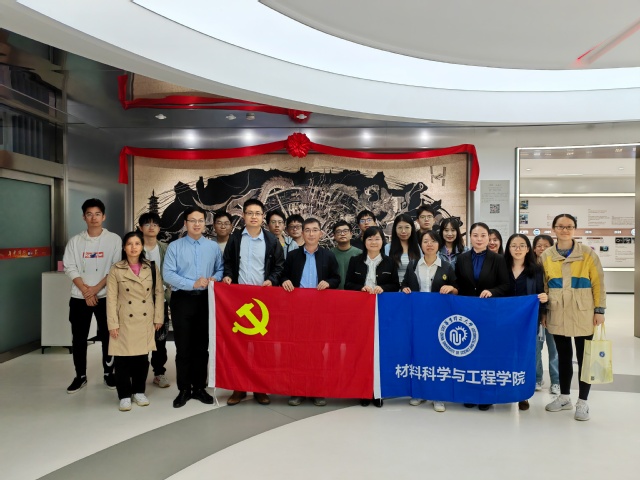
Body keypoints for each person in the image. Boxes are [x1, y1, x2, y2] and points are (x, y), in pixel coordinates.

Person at [541, 214, 606, 421]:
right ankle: (564, 397)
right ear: (554, 229)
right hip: (557, 311)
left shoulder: (587, 253)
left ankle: (583, 402)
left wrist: (599, 310)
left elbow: (598, 282)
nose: (565, 230)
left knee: (584, 358)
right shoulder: (547, 255)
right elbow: (543, 286)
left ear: (575, 229)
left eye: (569, 226)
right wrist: (543, 312)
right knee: (563, 356)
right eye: (560, 226)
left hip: (583, 312)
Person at [223, 199, 285, 406]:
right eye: (250, 213)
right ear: (244, 216)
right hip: (239, 299)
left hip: (263, 299)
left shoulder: (271, 240)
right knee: (238, 346)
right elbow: (228, 262)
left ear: (263, 216)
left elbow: (279, 266)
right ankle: (239, 388)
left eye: (257, 213)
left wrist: (272, 280)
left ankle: (260, 388)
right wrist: (228, 276)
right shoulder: (235, 238)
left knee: (261, 347)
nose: (254, 217)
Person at [163, 206, 224, 408]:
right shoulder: (175, 247)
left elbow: (221, 269)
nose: (197, 224)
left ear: (205, 223)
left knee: (202, 347)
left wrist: (214, 278)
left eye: (200, 220)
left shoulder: (213, 247)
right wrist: (192, 283)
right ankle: (184, 389)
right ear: (185, 223)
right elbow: (168, 274)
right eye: (192, 220)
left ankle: (199, 387)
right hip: (182, 300)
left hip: (206, 300)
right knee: (183, 347)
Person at [63, 198, 122, 394]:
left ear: (103, 216)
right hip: (79, 297)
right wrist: (85, 291)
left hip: (106, 296)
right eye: (89, 214)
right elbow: (69, 267)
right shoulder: (75, 241)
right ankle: (80, 376)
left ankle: (108, 373)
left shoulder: (114, 239)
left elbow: (115, 268)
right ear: (84, 217)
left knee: (108, 336)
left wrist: (95, 289)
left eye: (97, 214)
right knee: (79, 338)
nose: (94, 218)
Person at [281, 217, 341, 407]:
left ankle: (317, 390)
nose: (311, 233)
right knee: (297, 350)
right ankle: (297, 391)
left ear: (321, 234)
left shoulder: (328, 256)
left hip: (319, 311)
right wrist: (284, 280)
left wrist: (328, 283)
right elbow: (283, 275)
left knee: (317, 350)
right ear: (302, 233)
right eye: (307, 230)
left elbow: (336, 278)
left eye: (315, 230)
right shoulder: (293, 256)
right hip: (297, 310)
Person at [454, 222, 510, 411]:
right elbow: (459, 284)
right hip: (467, 313)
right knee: (468, 354)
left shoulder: (498, 259)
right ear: (470, 237)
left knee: (487, 354)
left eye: (483, 235)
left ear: (489, 238)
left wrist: (492, 292)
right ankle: (470, 393)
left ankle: (487, 395)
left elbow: (506, 285)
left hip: (489, 313)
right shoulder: (462, 259)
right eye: (475, 235)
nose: (479, 239)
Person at [106, 232, 164, 411]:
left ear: (142, 246)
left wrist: (158, 317)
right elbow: (111, 298)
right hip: (124, 319)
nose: (133, 247)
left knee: (142, 358)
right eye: (129, 244)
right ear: (124, 248)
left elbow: (159, 293)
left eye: (137, 243)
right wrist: (112, 323)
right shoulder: (116, 269)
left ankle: (139, 391)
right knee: (122, 359)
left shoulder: (151, 267)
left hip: (145, 318)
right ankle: (124, 395)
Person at [401, 229, 458, 412]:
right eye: (425, 241)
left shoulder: (446, 266)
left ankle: (438, 395)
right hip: (417, 318)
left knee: (438, 356)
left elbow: (457, 289)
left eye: (433, 241)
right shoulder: (413, 265)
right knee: (419, 354)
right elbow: (405, 285)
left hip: (439, 319)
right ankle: (419, 392)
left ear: (439, 244)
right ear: (420, 244)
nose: (429, 244)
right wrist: (404, 289)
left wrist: (451, 288)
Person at [345, 226, 399, 408]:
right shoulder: (355, 261)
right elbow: (348, 284)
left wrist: (383, 288)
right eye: (369, 239)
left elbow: (395, 285)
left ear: (383, 241)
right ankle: (363, 391)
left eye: (377, 239)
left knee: (380, 352)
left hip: (382, 313)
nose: (373, 242)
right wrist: (360, 288)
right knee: (362, 352)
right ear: (364, 241)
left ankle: (378, 392)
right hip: (360, 313)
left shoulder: (390, 262)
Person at [503, 234, 548, 411]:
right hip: (504, 320)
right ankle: (505, 389)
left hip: (528, 321)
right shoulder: (501, 267)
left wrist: (544, 303)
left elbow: (541, 292)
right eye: (514, 245)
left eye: (522, 245)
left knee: (525, 357)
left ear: (528, 249)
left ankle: (523, 394)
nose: (518, 249)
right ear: (508, 248)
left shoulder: (536, 270)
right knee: (505, 355)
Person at [138, 212, 171, 389]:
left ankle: (159, 373)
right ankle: (138, 373)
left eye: (155, 224)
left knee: (160, 338)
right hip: (138, 301)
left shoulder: (165, 248)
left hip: (160, 300)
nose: (151, 227)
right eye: (147, 224)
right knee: (139, 337)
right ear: (140, 227)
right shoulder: (135, 247)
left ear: (159, 228)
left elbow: (170, 272)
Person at [532, 234, 559, 395]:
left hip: (554, 312)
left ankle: (556, 381)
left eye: (546, 246)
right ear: (534, 248)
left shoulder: (556, 265)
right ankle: (537, 378)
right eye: (539, 246)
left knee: (554, 348)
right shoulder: (530, 267)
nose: (542, 249)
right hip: (535, 315)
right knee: (536, 348)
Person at [384, 213, 421, 285]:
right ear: (395, 229)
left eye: (407, 227)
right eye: (400, 227)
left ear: (412, 229)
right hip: (393, 288)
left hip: (413, 288)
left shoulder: (417, 247)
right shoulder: (388, 247)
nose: (403, 231)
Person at [330, 220, 362, 289]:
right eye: (338, 232)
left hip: (354, 292)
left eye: (345, 231)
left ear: (351, 234)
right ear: (334, 236)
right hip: (334, 292)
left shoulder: (360, 253)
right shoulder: (329, 254)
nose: (342, 234)